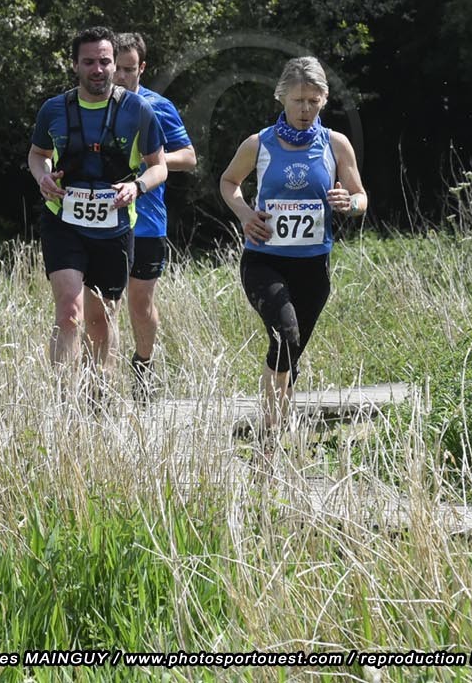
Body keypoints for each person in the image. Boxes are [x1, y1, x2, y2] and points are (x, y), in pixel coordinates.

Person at [218, 56, 367, 443]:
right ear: (282, 97)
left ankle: (275, 434)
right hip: (264, 261)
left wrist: (348, 203)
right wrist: (245, 214)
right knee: (285, 335)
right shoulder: (259, 143)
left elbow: (360, 197)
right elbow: (229, 182)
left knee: (291, 352)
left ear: (324, 99)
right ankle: (270, 436)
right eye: (298, 100)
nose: (305, 110)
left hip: (313, 267)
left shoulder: (336, 144)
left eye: (313, 101)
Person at [26, 26, 168, 385]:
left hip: (114, 228)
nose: (98, 69)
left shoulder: (138, 110)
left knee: (101, 318)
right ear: (75, 65)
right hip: (64, 222)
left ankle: (98, 393)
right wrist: (42, 177)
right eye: (89, 62)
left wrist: (136, 187)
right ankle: (64, 402)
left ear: (114, 64)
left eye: (104, 61)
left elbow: (159, 166)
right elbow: (37, 154)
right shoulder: (54, 109)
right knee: (69, 312)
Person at [81, 31, 197, 400]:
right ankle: (100, 385)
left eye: (130, 69)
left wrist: (150, 162)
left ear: (142, 68)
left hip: (147, 223)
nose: (121, 76)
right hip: (104, 222)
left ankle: (143, 365)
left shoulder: (156, 107)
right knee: (103, 308)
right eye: (117, 68)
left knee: (140, 305)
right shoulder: (91, 106)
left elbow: (189, 157)